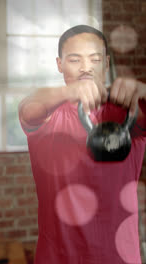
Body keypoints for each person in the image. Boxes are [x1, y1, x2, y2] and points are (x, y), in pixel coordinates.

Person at [19, 25, 146, 263]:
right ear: (60, 65)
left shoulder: (130, 114)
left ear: (106, 63)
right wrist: (70, 92)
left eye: (94, 59)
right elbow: (28, 106)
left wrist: (143, 90)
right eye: (75, 60)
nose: (86, 68)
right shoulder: (50, 116)